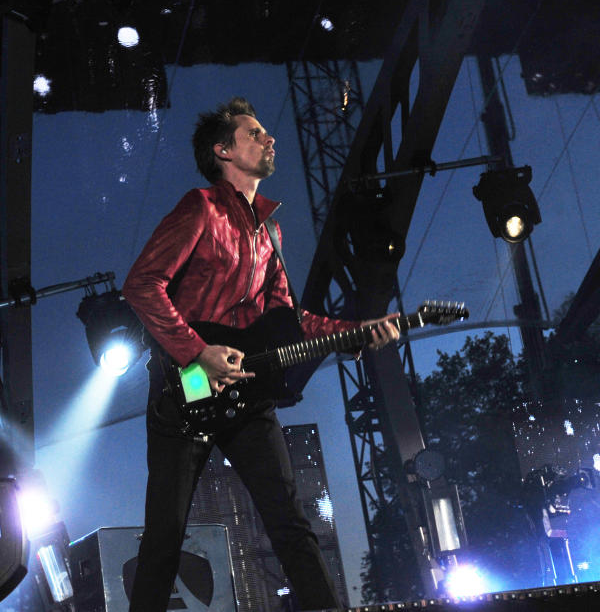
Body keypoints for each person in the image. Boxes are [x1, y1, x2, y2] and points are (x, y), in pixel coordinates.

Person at [121, 97, 400, 611]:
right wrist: (197, 353)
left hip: (246, 392)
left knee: (291, 525)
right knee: (164, 539)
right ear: (223, 150)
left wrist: (358, 330)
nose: (269, 140)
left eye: (267, 133)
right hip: (189, 388)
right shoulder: (199, 207)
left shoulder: (269, 230)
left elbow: (288, 322)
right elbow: (141, 285)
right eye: (254, 134)